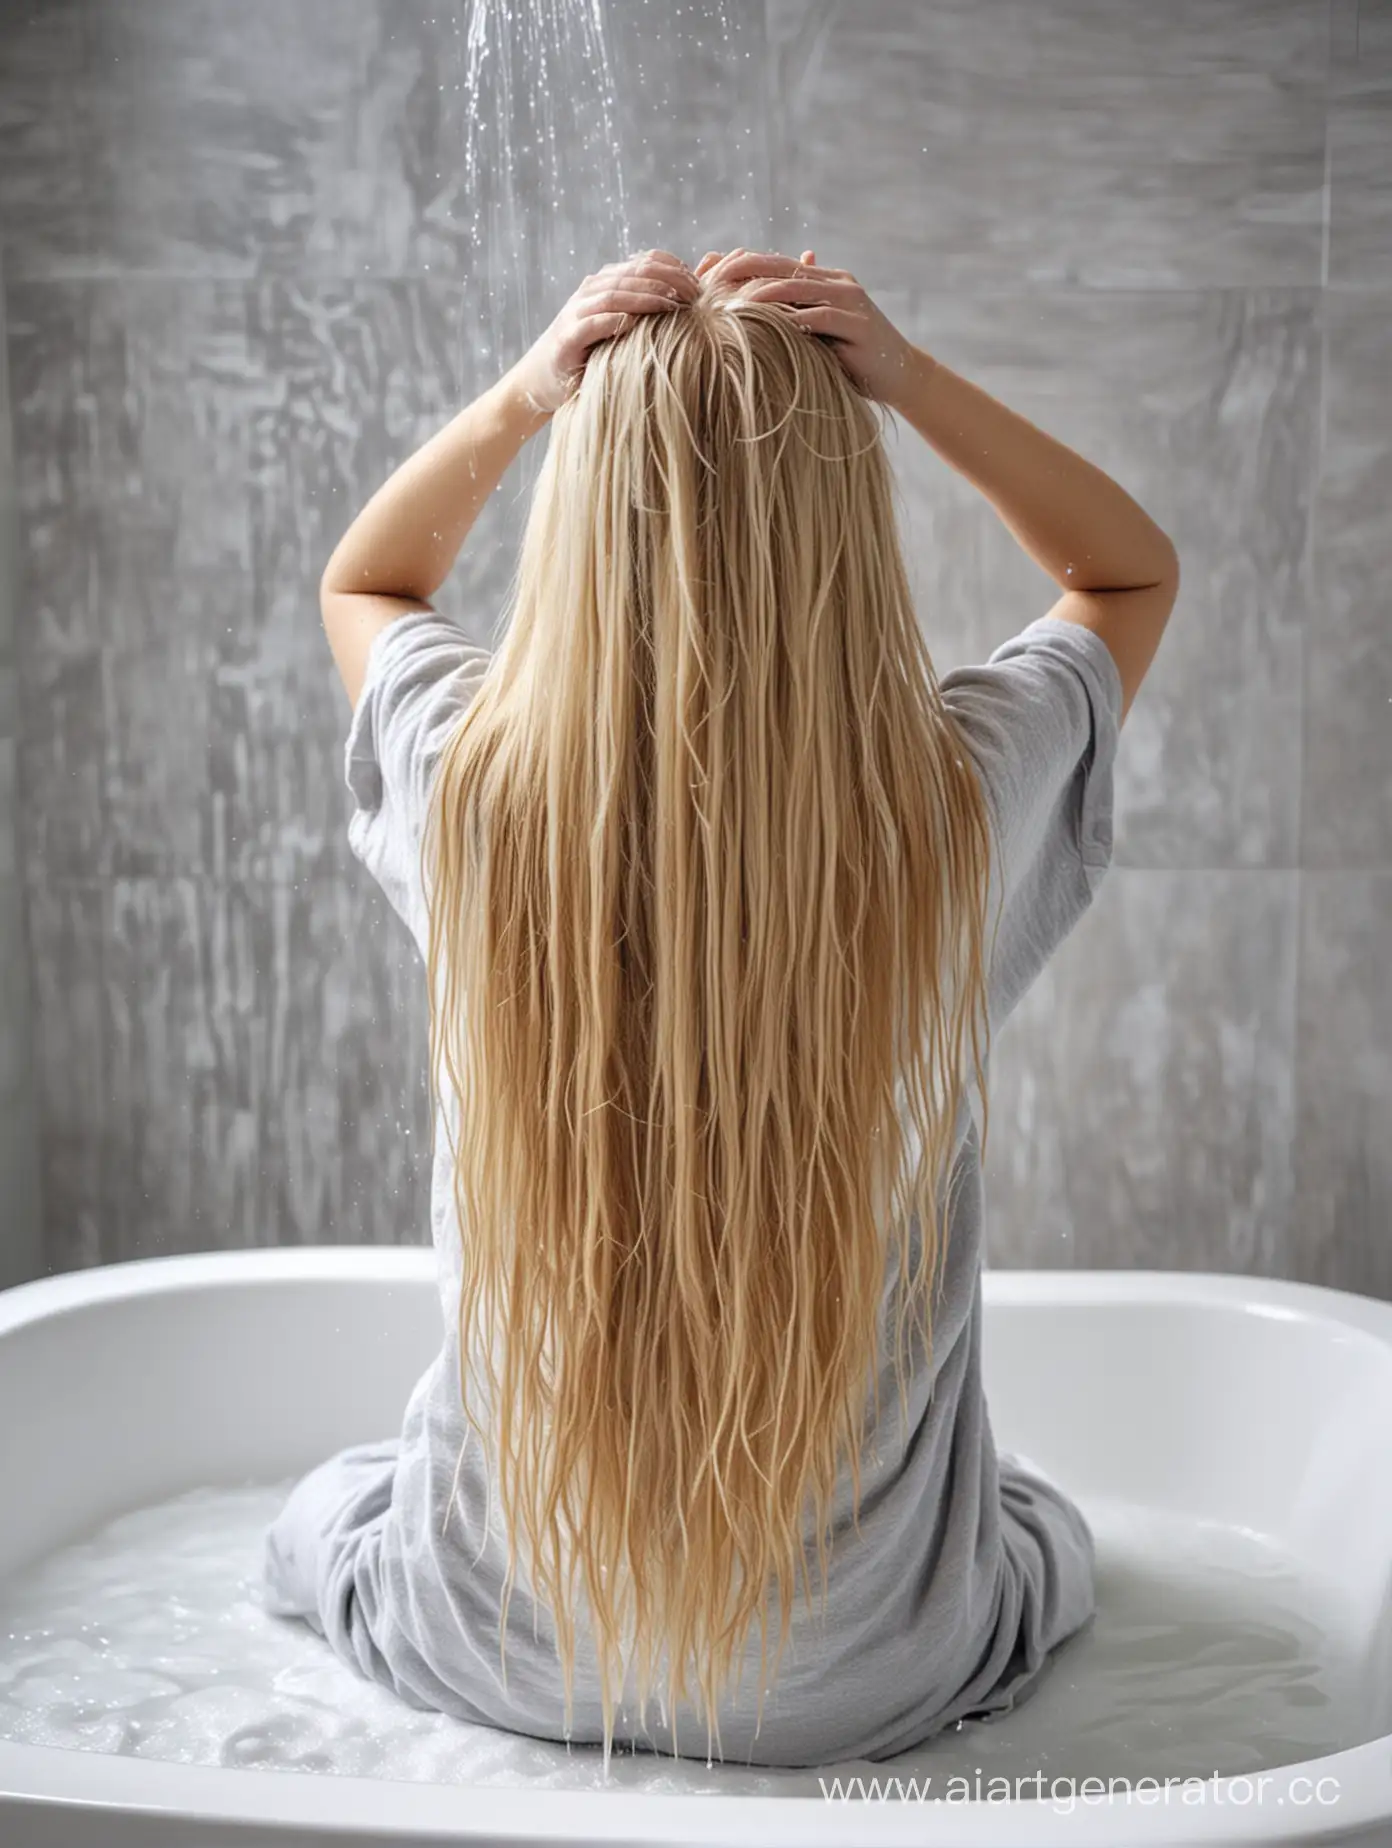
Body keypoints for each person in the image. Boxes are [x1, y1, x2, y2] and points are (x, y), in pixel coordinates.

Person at [262, 247, 1180, 1771]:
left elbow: (367, 578)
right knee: (1045, 1528)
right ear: (849, 531)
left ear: (577, 532)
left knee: (323, 1508)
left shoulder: (474, 794)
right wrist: (906, 375)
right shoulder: (950, 811)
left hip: (497, 1642)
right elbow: (1128, 569)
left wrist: (528, 391)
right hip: (866, 1674)